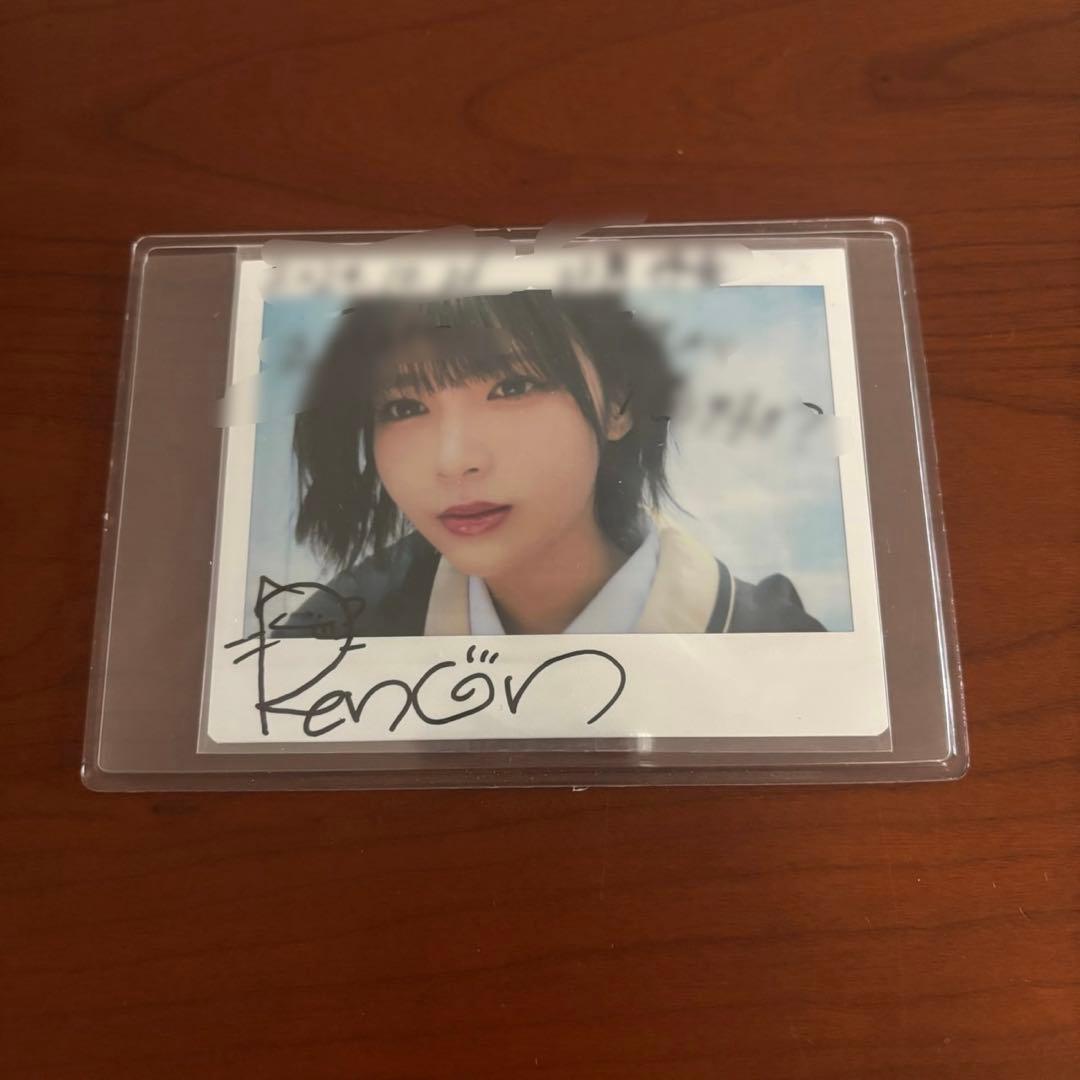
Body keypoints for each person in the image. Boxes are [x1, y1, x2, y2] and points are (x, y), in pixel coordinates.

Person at [274, 290, 824, 638]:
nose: (454, 461)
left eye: (513, 387)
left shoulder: (779, 648)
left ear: (618, 404)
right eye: (403, 408)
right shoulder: (321, 646)